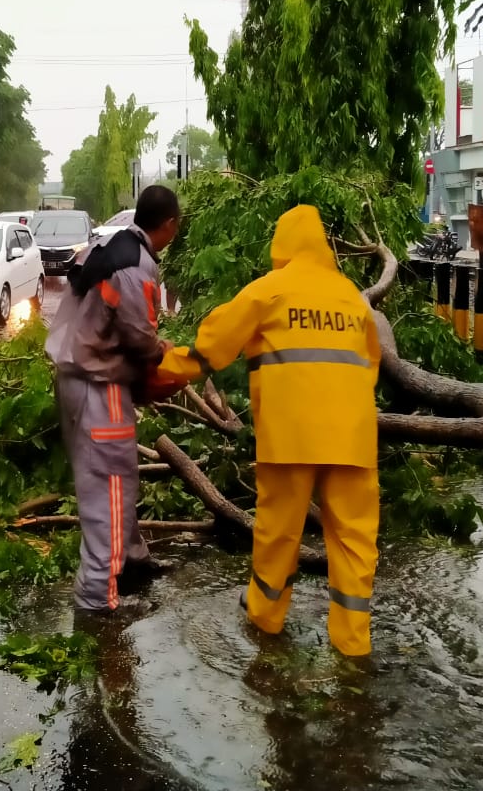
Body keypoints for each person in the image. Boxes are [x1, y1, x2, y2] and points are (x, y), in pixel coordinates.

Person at [159, 205, 381, 656]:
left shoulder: (269, 291)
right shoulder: (352, 298)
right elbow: (370, 365)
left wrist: (157, 365)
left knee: (279, 532)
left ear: (281, 247)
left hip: (290, 438)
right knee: (355, 541)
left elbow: (209, 348)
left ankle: (265, 616)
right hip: (353, 437)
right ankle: (353, 644)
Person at [45, 185, 180, 613]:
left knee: (115, 480)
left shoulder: (106, 244)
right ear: (171, 224)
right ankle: (97, 600)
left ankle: (132, 559)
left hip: (73, 379)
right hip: (101, 387)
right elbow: (139, 337)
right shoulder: (136, 265)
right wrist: (165, 352)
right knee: (110, 486)